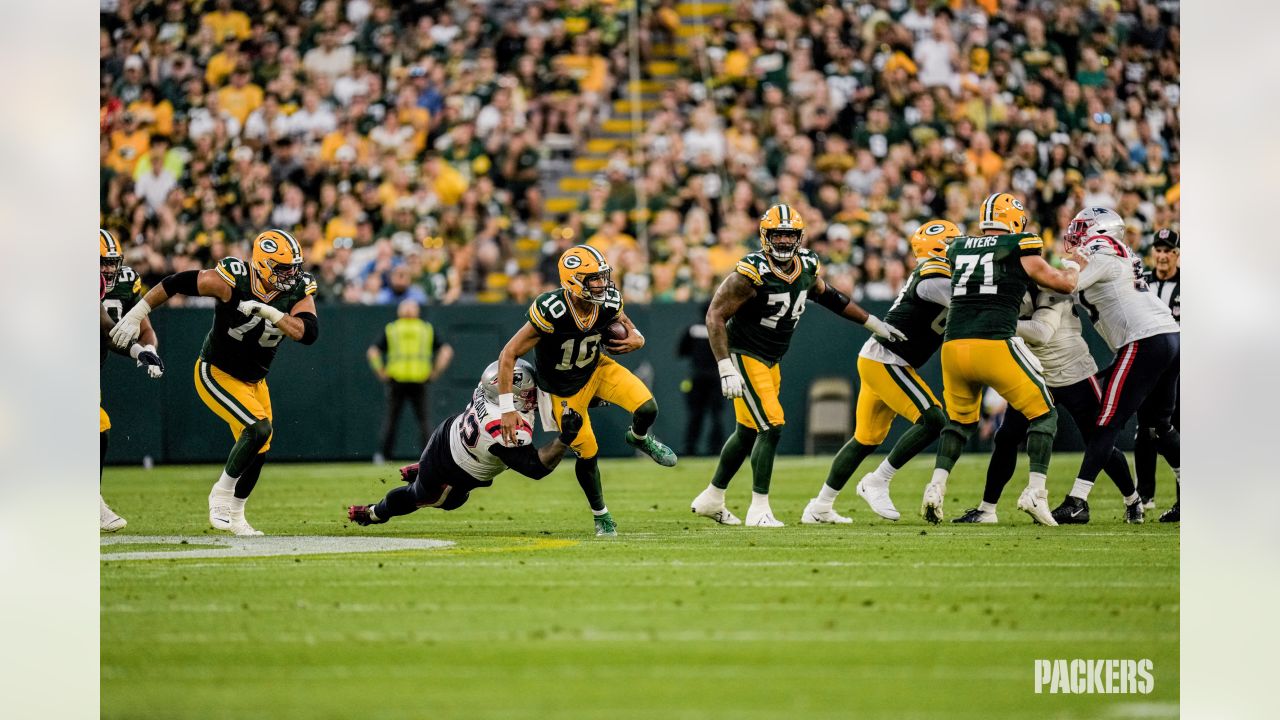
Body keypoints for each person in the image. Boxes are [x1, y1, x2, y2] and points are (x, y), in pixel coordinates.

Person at [691, 204, 907, 528]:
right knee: (772, 424)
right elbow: (714, 315)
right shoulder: (751, 271)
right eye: (777, 235)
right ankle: (759, 508)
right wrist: (724, 365)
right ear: (765, 237)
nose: (782, 241)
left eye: (788, 235)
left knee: (748, 431)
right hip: (744, 354)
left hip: (770, 359)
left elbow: (830, 296)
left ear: (799, 237)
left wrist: (872, 322)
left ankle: (712, 497)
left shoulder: (806, 264)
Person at [111, 229, 320, 536]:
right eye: (283, 269)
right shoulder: (233, 279)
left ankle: (237, 517)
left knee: (259, 447)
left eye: (294, 268)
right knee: (259, 428)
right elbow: (177, 282)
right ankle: (220, 495)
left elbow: (308, 333)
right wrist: (138, 312)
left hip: (255, 381)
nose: (292, 275)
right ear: (262, 265)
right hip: (217, 371)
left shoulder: (297, 290)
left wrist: (271, 312)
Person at [924, 192, 1083, 526]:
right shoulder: (1020, 244)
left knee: (959, 423)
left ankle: (935, 486)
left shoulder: (959, 246)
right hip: (993, 341)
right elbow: (1063, 284)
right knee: (1044, 414)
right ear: (1014, 221)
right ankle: (1036, 492)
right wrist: (1074, 265)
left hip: (953, 346)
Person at [496, 245, 676, 538]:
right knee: (587, 452)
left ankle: (640, 438)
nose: (601, 284)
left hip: (597, 369)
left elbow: (629, 327)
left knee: (647, 407)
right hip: (564, 389)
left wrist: (638, 340)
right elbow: (508, 354)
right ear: (573, 281)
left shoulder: (607, 302)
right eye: (593, 278)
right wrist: (506, 408)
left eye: (603, 276)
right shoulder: (551, 310)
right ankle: (601, 515)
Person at [804, 220, 960, 524]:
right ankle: (877, 480)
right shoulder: (933, 277)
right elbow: (970, 302)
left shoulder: (936, 274)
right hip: (888, 360)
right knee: (933, 419)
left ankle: (820, 506)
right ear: (940, 249)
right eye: (954, 244)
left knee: (865, 440)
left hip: (881, 358)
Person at [956, 282, 1143, 524]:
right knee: (1007, 437)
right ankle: (987, 509)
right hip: (1037, 374)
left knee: (1097, 441)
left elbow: (1040, 333)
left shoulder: (1053, 286)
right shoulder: (1008, 285)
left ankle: (1133, 500)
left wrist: (996, 323)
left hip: (1073, 373)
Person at [1049, 208, 1181, 524]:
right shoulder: (1116, 254)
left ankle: (1078, 500)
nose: (1076, 236)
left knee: (1107, 421)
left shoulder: (1100, 249)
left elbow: (1066, 284)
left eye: (1082, 229)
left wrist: (1045, 268)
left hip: (1143, 338)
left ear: (1099, 231)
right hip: (1167, 337)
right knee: (1159, 426)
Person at [348, 359, 582, 525]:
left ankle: (422, 468)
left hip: (450, 433)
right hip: (453, 468)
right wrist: (565, 439)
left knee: (459, 490)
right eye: (529, 392)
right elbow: (535, 468)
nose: (534, 397)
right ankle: (374, 513)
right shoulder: (502, 426)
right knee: (428, 498)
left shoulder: (490, 387)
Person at [99, 229, 165, 531]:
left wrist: (149, 348)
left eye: (113, 262)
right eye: (101, 262)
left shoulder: (126, 282)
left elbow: (144, 329)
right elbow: (106, 331)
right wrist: (139, 352)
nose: (109, 269)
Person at [367, 299, 454, 462]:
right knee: (424, 421)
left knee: (392, 419)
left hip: (396, 379)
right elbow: (446, 351)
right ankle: (430, 455)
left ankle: (383, 456)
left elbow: (373, 352)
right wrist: (436, 372)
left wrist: (381, 372)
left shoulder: (392, 329)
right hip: (419, 379)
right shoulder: (426, 329)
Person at [1135, 228, 1180, 517]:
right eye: (1158, 250)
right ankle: (1144, 495)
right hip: (1150, 368)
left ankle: (1183, 501)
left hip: (1181, 369)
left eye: (1168, 251)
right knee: (1145, 431)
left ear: (1177, 255)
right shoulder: (1143, 283)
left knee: (1175, 428)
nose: (1162, 256)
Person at [676, 302, 726, 456]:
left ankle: (690, 448)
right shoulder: (722, 329)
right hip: (717, 377)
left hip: (697, 377)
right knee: (717, 415)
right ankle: (717, 449)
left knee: (695, 414)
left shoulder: (693, 329)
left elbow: (681, 351)